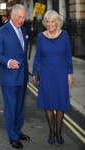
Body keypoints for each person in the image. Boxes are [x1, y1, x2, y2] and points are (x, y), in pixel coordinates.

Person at [32, 10, 73, 145]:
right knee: (49, 104)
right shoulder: (40, 37)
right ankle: (51, 131)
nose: (50, 24)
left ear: (57, 22)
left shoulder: (65, 35)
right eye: (47, 22)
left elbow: (68, 55)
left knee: (60, 105)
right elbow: (37, 57)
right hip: (46, 74)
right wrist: (34, 72)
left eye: (52, 21)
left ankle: (59, 132)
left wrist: (69, 73)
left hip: (61, 74)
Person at [0, 4, 30, 149]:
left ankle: (18, 131)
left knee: (20, 107)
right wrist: (8, 62)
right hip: (8, 77)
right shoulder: (2, 32)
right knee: (11, 107)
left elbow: (22, 53)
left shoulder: (24, 30)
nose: (22, 20)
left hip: (22, 75)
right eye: (19, 17)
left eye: (24, 17)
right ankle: (13, 137)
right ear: (12, 16)